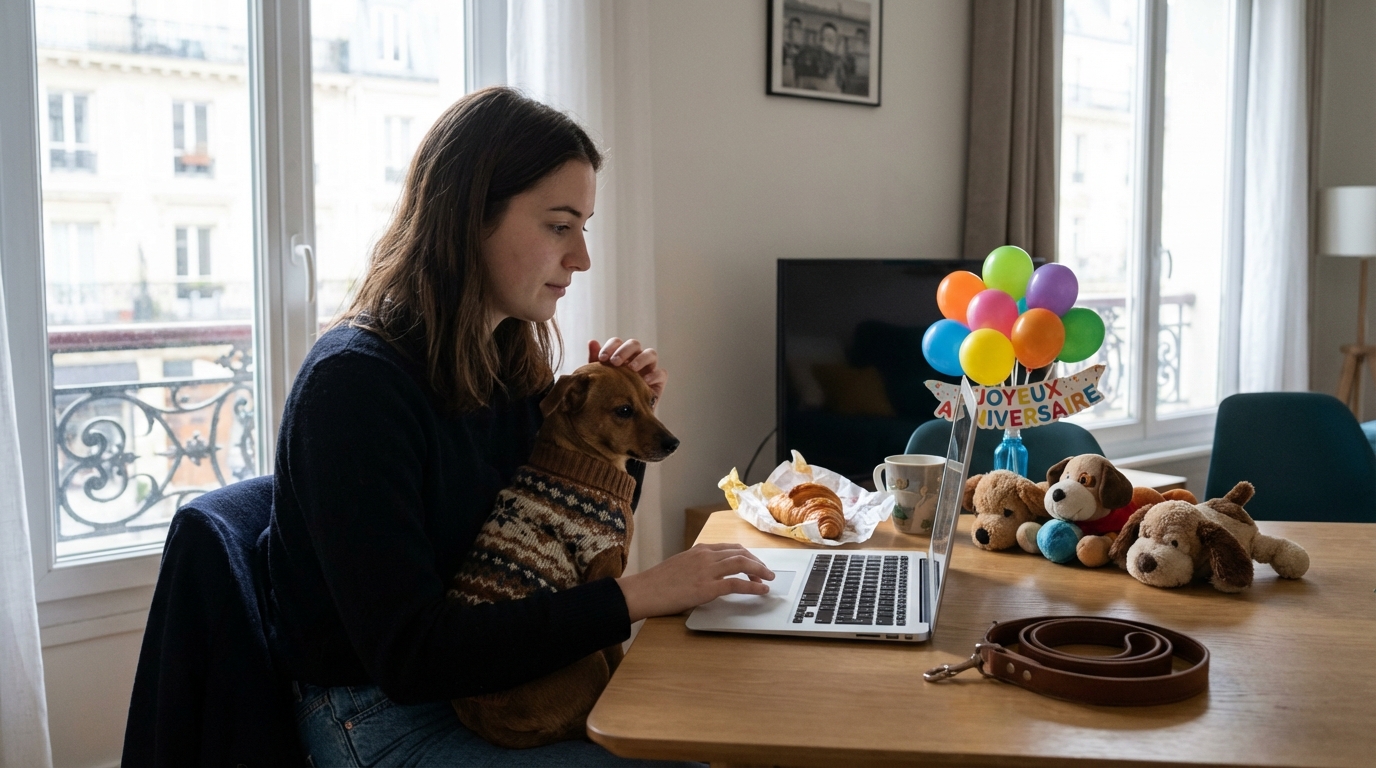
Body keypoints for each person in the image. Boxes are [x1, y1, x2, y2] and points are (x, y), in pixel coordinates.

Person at [264, 87, 775, 766]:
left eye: (584, 227)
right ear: (468, 218)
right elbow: (413, 658)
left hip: (510, 677)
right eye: (560, 226)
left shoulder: (509, 360)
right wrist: (634, 596)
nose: (582, 257)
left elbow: (563, 531)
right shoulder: (354, 387)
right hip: (384, 713)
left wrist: (612, 437)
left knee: (736, 734)